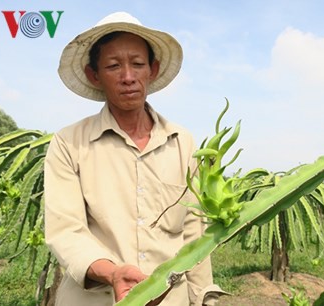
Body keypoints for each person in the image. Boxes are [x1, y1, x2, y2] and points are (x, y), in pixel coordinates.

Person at [44, 12, 223, 305]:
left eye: (138, 64)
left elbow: (195, 234)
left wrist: (203, 299)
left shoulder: (183, 143)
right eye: (113, 66)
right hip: (96, 298)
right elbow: (66, 231)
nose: (128, 77)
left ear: (152, 70)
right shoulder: (69, 143)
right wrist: (113, 273)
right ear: (94, 75)